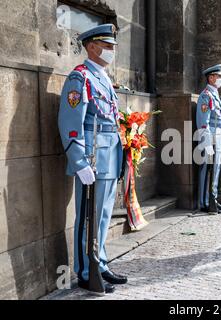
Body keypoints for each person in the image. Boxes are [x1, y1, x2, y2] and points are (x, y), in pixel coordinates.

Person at [58, 24, 127, 294]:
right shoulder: (80, 77)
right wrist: (79, 161)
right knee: (88, 216)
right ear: (91, 47)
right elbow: (71, 122)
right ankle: (86, 271)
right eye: (107, 46)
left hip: (109, 153)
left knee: (104, 214)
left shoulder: (103, 78)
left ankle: (101, 262)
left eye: (112, 46)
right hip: (93, 156)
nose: (111, 51)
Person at [196, 64, 221, 214]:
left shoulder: (214, 94)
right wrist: (207, 143)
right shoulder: (206, 95)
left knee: (216, 168)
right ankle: (205, 201)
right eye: (218, 76)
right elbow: (203, 122)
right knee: (208, 168)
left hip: (219, 135)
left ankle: (213, 198)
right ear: (211, 78)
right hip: (211, 137)